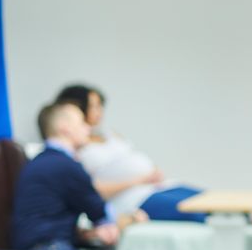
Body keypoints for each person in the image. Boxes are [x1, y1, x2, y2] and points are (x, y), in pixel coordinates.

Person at [12, 101, 152, 250]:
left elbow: (52, 217)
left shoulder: (47, 162)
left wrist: (84, 233)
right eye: (81, 123)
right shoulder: (65, 165)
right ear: (65, 127)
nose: (88, 128)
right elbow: (103, 214)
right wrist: (128, 219)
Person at [55, 84, 206, 223]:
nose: (99, 112)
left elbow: (130, 156)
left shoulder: (109, 134)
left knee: (209, 200)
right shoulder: (75, 148)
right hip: (131, 199)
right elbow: (91, 190)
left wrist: (152, 172)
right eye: (93, 106)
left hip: (157, 186)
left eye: (100, 106)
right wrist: (139, 180)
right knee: (196, 212)